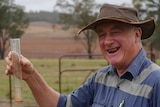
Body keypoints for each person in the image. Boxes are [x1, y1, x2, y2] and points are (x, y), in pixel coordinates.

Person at [5, 3, 160, 107]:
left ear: (137, 35)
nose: (107, 41)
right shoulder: (100, 78)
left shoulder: (156, 82)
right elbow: (62, 105)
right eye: (101, 35)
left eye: (115, 32)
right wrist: (30, 76)